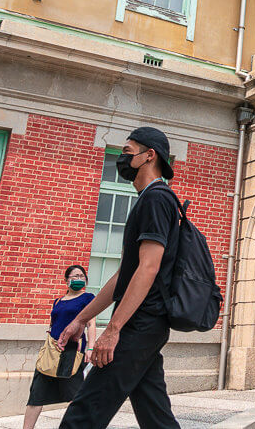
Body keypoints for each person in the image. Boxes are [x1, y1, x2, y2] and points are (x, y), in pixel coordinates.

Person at [56, 127, 183, 428]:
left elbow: (148, 268)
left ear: (149, 155)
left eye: (127, 152)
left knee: (83, 415)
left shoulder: (156, 199)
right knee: (156, 416)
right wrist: (79, 319)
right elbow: (124, 275)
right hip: (144, 324)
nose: (121, 158)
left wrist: (113, 330)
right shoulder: (149, 199)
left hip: (139, 324)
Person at [24, 265, 96, 429]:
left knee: (74, 394)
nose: (78, 279)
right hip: (51, 350)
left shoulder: (88, 298)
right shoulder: (58, 301)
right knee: (36, 394)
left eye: (81, 276)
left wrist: (90, 348)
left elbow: (91, 324)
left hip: (73, 351)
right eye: (74, 276)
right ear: (66, 280)